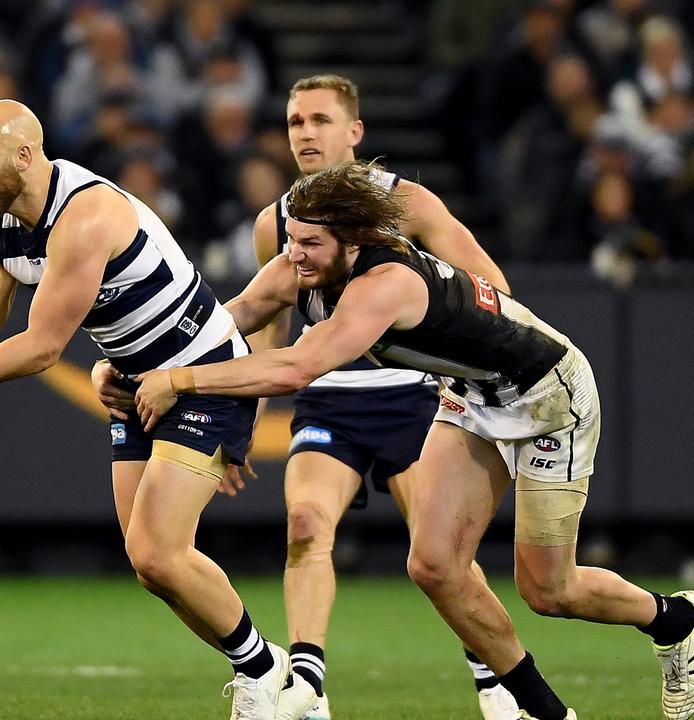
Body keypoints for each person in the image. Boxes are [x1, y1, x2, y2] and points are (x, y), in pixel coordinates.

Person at [132, 159, 694, 720]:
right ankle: (546, 713)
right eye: (292, 240)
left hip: (549, 395)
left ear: (353, 241)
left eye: (310, 244)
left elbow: (294, 369)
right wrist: (140, 362)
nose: (294, 256)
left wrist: (179, 380)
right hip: (472, 394)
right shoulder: (300, 267)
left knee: (548, 590)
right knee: (433, 565)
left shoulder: (386, 283)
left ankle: (675, 622)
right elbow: (230, 319)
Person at [0, 99, 319, 720]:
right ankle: (268, 671)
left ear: (23, 155)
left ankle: (266, 676)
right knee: (153, 567)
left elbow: (41, 348)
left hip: (204, 379)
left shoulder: (85, 214)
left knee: (157, 550)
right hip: (135, 386)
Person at [93, 73, 518, 720]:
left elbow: (492, 285)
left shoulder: (406, 204)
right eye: (295, 122)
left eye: (321, 120)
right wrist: (239, 422)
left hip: (413, 397)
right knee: (304, 526)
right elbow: (265, 327)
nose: (306, 133)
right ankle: (306, 689)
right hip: (328, 394)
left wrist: (457, 360)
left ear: (355, 132)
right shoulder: (278, 223)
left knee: (441, 558)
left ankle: (495, 683)